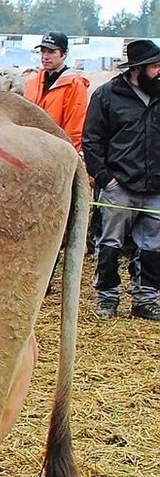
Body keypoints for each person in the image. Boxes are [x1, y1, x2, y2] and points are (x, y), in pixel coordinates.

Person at [81, 38, 160, 321]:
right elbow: (91, 141)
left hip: (156, 188)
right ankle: (107, 298)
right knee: (109, 245)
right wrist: (106, 179)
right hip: (119, 186)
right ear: (137, 68)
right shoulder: (106, 95)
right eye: (155, 65)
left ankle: (146, 300)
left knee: (152, 247)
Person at [23, 32, 88, 153]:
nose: (45, 56)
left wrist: (67, 156)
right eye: (43, 51)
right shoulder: (33, 82)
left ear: (64, 54)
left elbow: (74, 129)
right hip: (29, 150)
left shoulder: (74, 85)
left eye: (52, 52)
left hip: (55, 153)